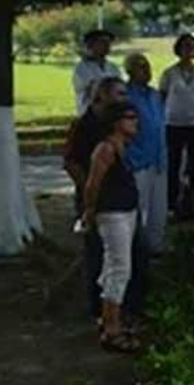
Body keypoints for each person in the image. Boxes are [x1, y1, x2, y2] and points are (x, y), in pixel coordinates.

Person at [79, 101, 141, 353]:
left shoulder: (123, 147)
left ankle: (108, 318)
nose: (135, 122)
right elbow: (92, 184)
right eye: (130, 117)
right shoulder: (105, 150)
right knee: (119, 268)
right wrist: (90, 210)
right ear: (116, 122)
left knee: (113, 266)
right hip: (112, 213)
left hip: (126, 211)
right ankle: (112, 328)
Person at [65, 77, 128, 318]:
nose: (124, 99)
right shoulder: (83, 125)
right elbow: (71, 162)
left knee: (121, 256)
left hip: (120, 199)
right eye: (119, 94)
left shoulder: (113, 124)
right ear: (102, 95)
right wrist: (90, 189)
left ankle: (119, 307)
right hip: (95, 198)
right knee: (97, 253)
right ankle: (98, 311)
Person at [158, 34, 194, 221]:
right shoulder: (169, 73)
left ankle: (192, 204)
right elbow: (162, 97)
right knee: (173, 164)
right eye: (185, 47)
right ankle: (171, 203)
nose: (188, 50)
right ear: (178, 49)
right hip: (173, 123)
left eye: (192, 47)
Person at [123, 54, 169, 252]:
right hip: (138, 159)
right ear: (130, 71)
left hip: (158, 158)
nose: (146, 70)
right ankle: (137, 248)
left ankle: (155, 245)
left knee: (159, 207)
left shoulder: (154, 94)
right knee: (140, 207)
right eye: (141, 67)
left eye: (148, 66)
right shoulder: (126, 95)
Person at [72, 28, 123, 115]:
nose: (107, 45)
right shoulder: (82, 68)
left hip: (112, 113)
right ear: (91, 45)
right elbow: (94, 90)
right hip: (91, 114)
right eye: (103, 42)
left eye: (109, 42)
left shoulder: (113, 67)